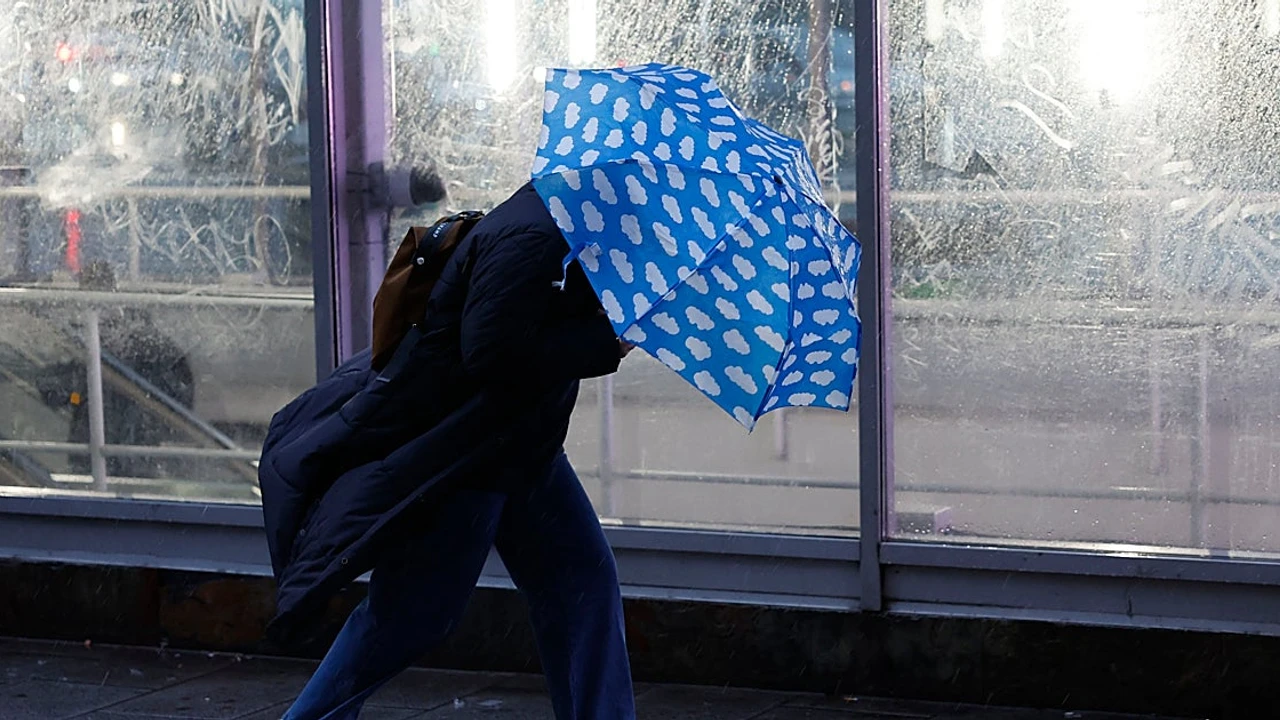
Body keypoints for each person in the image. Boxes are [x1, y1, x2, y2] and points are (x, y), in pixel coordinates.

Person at [277, 182, 637, 720]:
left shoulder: (574, 228)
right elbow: (488, 351)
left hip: (521, 451)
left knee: (583, 588)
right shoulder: (531, 234)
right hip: (466, 457)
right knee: (410, 618)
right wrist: (605, 344)